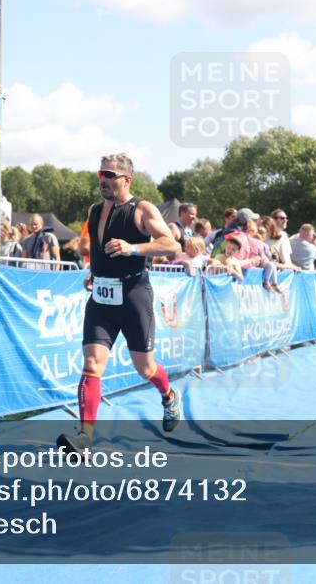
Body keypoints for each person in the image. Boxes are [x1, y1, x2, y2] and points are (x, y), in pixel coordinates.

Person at [57, 154, 182, 455]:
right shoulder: (95, 210)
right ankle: (85, 437)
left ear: (127, 179)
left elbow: (172, 245)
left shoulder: (142, 209)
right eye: (101, 173)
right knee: (91, 364)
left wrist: (133, 248)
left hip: (133, 296)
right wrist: (94, 273)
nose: (103, 179)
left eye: (110, 174)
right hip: (101, 298)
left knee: (145, 367)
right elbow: (98, 250)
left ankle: (168, 395)